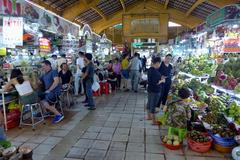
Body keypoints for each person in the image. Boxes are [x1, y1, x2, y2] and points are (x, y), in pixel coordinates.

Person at [146, 57, 165, 125]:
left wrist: (160, 78)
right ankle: (153, 121)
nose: (160, 65)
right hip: (155, 90)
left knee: (149, 103)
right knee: (153, 105)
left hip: (150, 89)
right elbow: (156, 83)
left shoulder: (150, 69)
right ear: (157, 63)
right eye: (160, 63)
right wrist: (162, 80)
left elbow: (151, 80)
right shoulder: (154, 71)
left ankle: (148, 116)